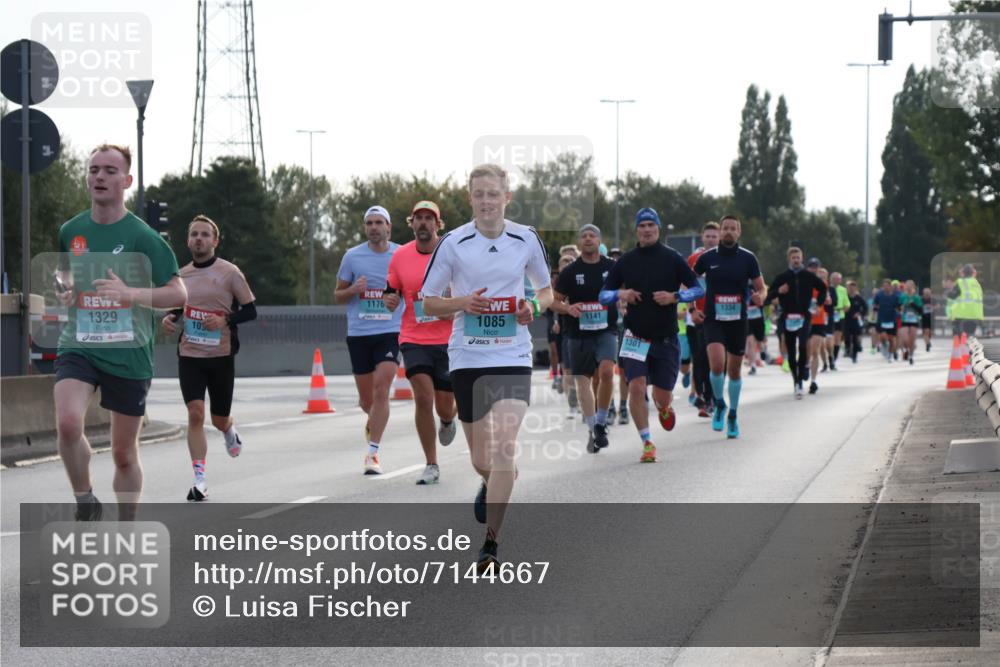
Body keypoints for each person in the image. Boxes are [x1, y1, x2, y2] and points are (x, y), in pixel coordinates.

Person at [422, 164, 552, 572]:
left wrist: (534, 306)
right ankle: (491, 481)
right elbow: (427, 302)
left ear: (506, 198)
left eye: (493, 194)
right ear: (470, 198)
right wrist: (462, 303)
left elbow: (547, 290)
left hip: (512, 355)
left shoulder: (525, 238)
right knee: (487, 459)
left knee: (504, 448)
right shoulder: (454, 243)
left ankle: (491, 544)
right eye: (478, 194)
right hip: (468, 356)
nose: (486, 201)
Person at [54, 144, 186, 521]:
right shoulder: (71, 230)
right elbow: (64, 273)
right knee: (67, 423)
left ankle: (127, 528)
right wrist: (63, 288)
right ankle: (85, 500)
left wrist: (132, 294)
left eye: (110, 170)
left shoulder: (143, 237)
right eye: (94, 169)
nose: (99, 176)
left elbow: (179, 293)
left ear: (126, 181)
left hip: (128, 351)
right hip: (79, 342)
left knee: (123, 453)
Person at [162, 215, 256, 501]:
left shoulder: (230, 273)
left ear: (215, 241)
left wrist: (226, 319)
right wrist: (170, 318)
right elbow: (179, 308)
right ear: (188, 240)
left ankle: (228, 429)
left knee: (217, 418)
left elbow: (250, 310)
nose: (199, 239)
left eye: (205, 235)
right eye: (194, 235)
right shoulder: (181, 275)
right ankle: (200, 479)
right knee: (195, 413)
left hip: (221, 355)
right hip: (190, 353)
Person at [599, 208, 703, 462]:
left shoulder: (673, 258)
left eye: (651, 225)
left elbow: (698, 289)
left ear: (657, 228)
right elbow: (603, 295)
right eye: (642, 225)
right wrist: (620, 294)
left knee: (662, 396)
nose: (646, 230)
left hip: (666, 338)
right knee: (636, 386)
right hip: (635, 336)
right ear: (637, 230)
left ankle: (664, 407)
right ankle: (647, 442)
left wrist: (674, 297)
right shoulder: (625, 261)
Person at [384, 201, 458, 485]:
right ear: (411, 223)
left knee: (444, 405)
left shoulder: (452, 252)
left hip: (449, 338)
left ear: (438, 224)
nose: (424, 223)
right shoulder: (400, 256)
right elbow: (391, 292)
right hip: (413, 336)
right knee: (423, 397)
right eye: (419, 218)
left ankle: (449, 419)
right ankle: (431, 463)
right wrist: (388, 300)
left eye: (430, 218)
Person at [335, 205, 403, 475]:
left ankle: (372, 454)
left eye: (379, 223)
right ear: (365, 228)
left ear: (388, 227)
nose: (374, 227)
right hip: (360, 333)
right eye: (369, 223)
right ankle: (374, 420)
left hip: (390, 331)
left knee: (381, 389)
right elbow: (338, 295)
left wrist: (398, 298)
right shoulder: (352, 257)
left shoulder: (401, 254)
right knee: (367, 402)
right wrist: (354, 289)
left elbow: (413, 290)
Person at [692, 215, 765, 438]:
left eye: (733, 228)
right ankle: (719, 404)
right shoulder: (707, 258)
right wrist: (693, 309)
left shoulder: (748, 258)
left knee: (733, 370)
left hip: (738, 320)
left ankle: (732, 414)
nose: (728, 232)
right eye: (725, 228)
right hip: (713, 319)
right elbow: (691, 283)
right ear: (721, 231)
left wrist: (761, 296)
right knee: (716, 365)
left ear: (739, 232)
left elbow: (762, 287)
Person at [552, 224, 618, 452]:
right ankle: (594, 429)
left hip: (606, 330)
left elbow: (625, 290)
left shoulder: (612, 267)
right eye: (584, 236)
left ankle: (600, 421)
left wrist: (624, 298)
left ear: (599, 240)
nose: (588, 239)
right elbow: (553, 301)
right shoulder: (570, 272)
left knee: (607, 372)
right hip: (578, 334)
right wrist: (567, 309)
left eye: (592, 235)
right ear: (580, 242)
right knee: (583, 382)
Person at [765, 247, 828, 399]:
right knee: (792, 351)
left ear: (802, 258)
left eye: (798, 257)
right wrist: (779, 291)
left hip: (804, 316)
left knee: (803, 346)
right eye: (793, 258)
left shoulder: (808, 276)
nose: (796, 260)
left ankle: (803, 371)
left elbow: (823, 290)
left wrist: (816, 305)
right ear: (789, 259)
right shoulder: (782, 277)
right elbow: (768, 296)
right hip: (787, 317)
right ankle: (797, 382)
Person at [687, 222, 721, 419]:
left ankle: (712, 398)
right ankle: (701, 396)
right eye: (707, 236)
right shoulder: (693, 259)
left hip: (719, 315)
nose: (710, 239)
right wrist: (691, 309)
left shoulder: (725, 257)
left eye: (714, 236)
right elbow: (686, 284)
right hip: (697, 316)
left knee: (714, 360)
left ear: (719, 238)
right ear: (702, 237)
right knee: (699, 358)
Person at [946, 264, 984, 338]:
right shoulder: (976, 283)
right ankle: (971, 349)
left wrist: (949, 290)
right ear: (973, 272)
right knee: (970, 336)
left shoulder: (961, 282)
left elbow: (952, 296)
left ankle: (962, 349)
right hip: (975, 314)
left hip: (962, 315)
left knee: (959, 336)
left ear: (963, 272)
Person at [872, 279, 901, 361]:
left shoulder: (895, 296)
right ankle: (884, 346)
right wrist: (874, 315)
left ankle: (890, 354)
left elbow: (899, 307)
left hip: (892, 319)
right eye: (884, 286)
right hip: (882, 319)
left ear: (890, 286)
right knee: (883, 336)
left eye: (887, 286)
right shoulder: (879, 295)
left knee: (891, 339)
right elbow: (875, 305)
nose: (885, 288)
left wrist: (900, 312)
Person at [897, 280, 923, 365]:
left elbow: (920, 310)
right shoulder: (902, 296)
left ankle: (911, 355)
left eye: (910, 285)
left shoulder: (916, 297)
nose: (908, 287)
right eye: (906, 285)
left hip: (914, 320)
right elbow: (898, 307)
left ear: (913, 287)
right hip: (904, 320)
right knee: (904, 338)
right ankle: (905, 350)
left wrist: (913, 305)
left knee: (912, 339)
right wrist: (901, 307)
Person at [844, 280, 868, 363]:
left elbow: (865, 308)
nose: (851, 289)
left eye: (852, 288)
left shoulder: (859, 298)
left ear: (855, 288)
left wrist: (860, 314)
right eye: (849, 288)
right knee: (846, 336)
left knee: (855, 338)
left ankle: (854, 355)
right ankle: (847, 349)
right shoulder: (845, 297)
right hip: (845, 319)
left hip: (855, 320)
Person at [830, 272, 849, 370]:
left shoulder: (843, 290)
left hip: (839, 316)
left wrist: (842, 308)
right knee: (829, 339)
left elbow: (847, 304)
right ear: (831, 279)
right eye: (834, 278)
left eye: (838, 279)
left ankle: (834, 359)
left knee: (837, 338)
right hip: (829, 315)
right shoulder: (827, 288)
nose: (836, 280)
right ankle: (829, 357)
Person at [920, 287, 934, 352]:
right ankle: (927, 344)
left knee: (930, 333)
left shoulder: (932, 299)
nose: (927, 295)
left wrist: (932, 307)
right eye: (925, 294)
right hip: (924, 317)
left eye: (928, 293)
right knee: (926, 332)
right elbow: (919, 306)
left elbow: (938, 305)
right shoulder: (921, 299)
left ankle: (928, 341)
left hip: (931, 318)